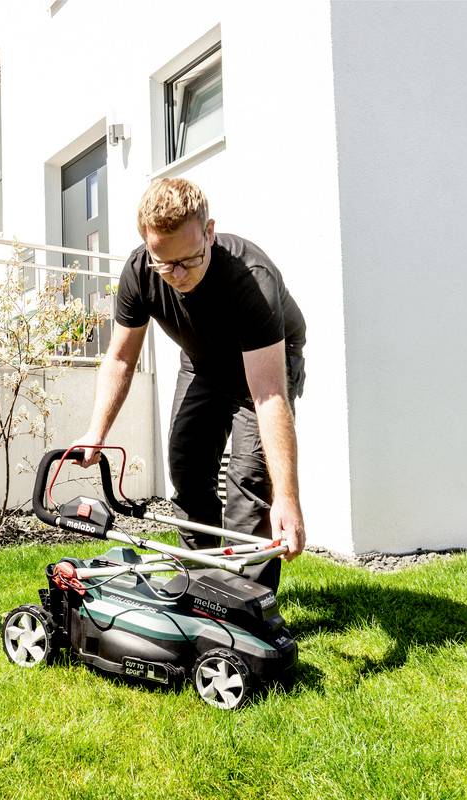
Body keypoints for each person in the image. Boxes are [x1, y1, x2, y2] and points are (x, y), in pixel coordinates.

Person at [72, 178, 306, 591]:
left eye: (190, 260)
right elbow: (122, 358)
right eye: (165, 263)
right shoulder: (141, 271)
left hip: (265, 366)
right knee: (187, 466)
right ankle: (202, 593)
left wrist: (287, 496)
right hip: (202, 363)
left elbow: (268, 395)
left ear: (210, 232)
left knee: (249, 484)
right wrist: (96, 432)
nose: (177, 275)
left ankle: (248, 609)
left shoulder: (251, 279)